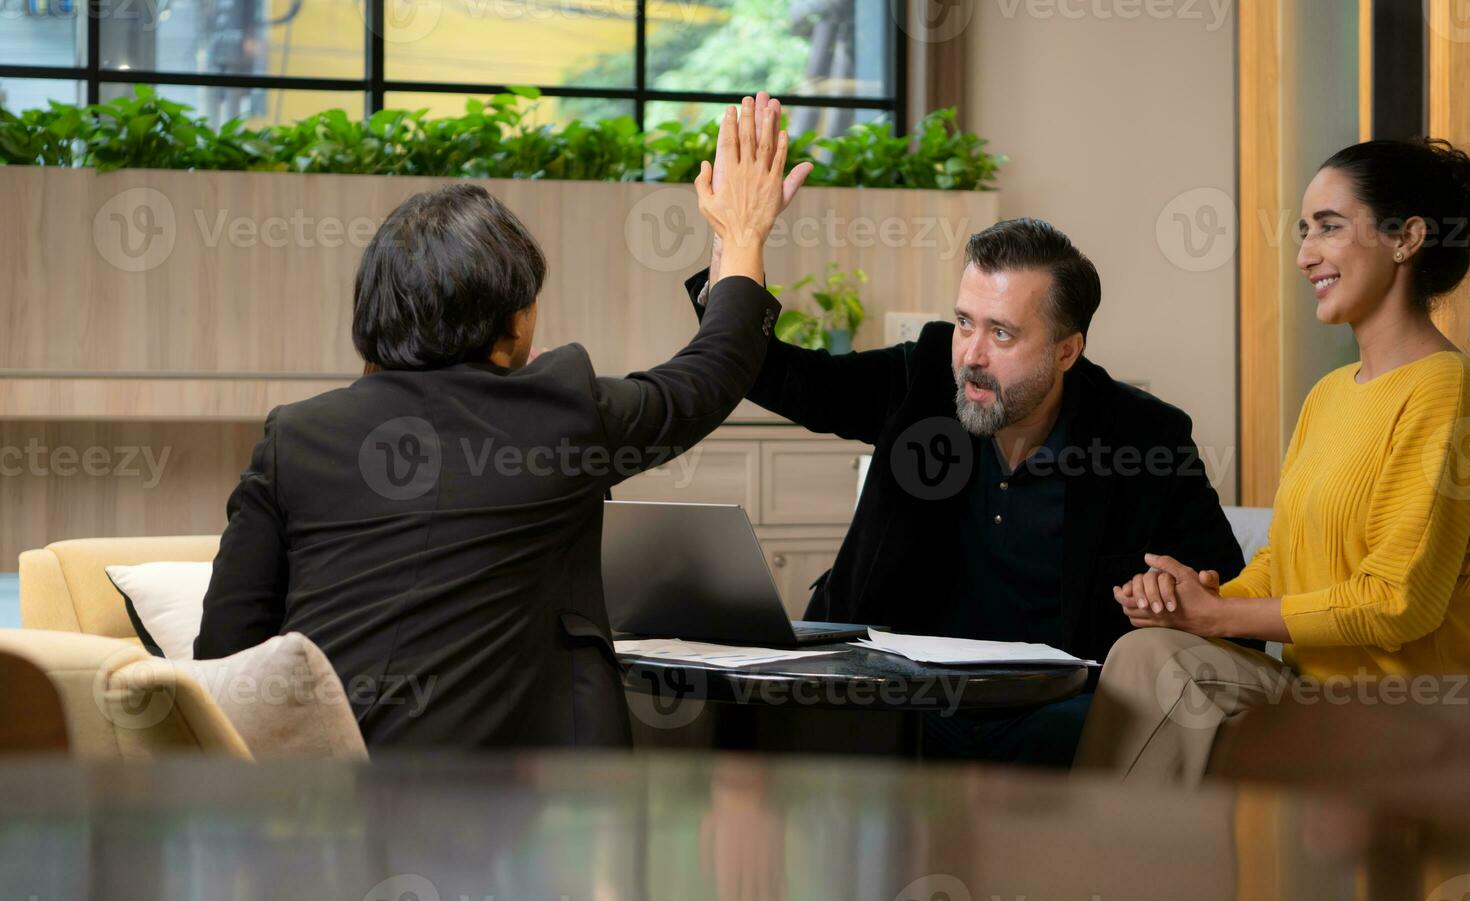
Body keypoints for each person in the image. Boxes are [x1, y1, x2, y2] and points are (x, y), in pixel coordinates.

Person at [194, 97, 811, 749]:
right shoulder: (557, 415)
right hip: (523, 825)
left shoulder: (294, 436)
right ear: (514, 319)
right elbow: (708, 377)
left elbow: (225, 654)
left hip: (316, 819)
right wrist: (742, 239)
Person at [687, 214, 1245, 765]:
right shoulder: (926, 378)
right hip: (906, 700)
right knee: (762, 714)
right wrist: (738, 238)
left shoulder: (1144, 437)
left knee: (1095, 738)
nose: (972, 355)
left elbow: (1223, 590)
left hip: (1053, 712)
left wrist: (1173, 591)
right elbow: (778, 374)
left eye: (1001, 332)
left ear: (1066, 351)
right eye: (964, 323)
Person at [1074, 138, 1470, 784]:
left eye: (1329, 228)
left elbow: (1400, 602)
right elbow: (1285, 565)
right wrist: (1196, 599)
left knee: (1158, 664)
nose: (1304, 254)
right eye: (1303, 231)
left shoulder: (1445, 389)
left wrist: (1218, 617)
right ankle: (1113, 871)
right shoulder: (1329, 396)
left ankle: (1087, 866)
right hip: (1311, 690)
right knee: (1148, 648)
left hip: (1412, 714)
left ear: (1408, 239)